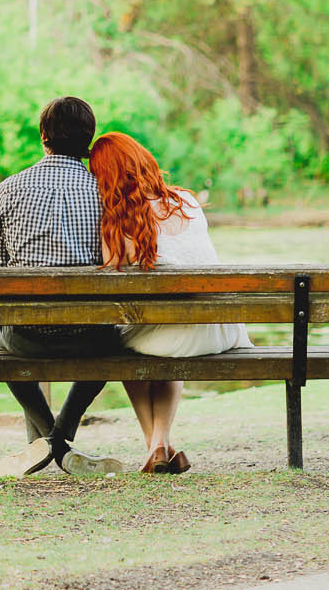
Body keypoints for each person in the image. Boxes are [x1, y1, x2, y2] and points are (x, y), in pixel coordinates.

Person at [88, 131, 252, 475]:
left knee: (125, 344)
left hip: (173, 334)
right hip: (220, 329)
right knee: (167, 332)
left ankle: (156, 443)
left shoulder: (119, 220)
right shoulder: (187, 202)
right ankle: (159, 445)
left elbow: (112, 284)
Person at [0, 96, 125, 478]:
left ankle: (48, 442)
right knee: (114, 345)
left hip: (24, 338)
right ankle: (61, 439)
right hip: (91, 338)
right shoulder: (106, 192)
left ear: (43, 136)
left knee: (3, 344)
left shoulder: (8, 189)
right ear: (88, 139)